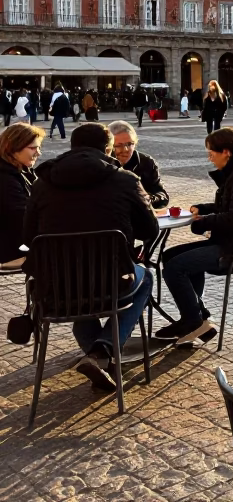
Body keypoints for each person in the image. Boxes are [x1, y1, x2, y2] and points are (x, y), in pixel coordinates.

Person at [23, 122, 157, 390]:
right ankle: (102, 351)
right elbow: (149, 229)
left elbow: (29, 237)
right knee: (147, 278)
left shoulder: (42, 183)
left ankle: (98, 356)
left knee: (78, 284)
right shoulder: (125, 180)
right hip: (113, 281)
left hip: (57, 287)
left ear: (71, 147)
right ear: (107, 148)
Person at [155, 127, 233, 344]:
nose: (209, 158)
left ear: (226, 152)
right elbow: (231, 206)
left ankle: (193, 321)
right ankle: (197, 317)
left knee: (177, 266)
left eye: (211, 153)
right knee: (170, 256)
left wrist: (204, 221)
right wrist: (201, 209)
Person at [0, 123, 44, 267]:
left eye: (39, 147)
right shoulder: (5, 177)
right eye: (32, 148)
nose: (38, 153)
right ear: (12, 148)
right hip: (11, 249)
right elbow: (20, 216)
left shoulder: (21, 170)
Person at [108, 120, 169, 210]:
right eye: (118, 145)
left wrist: (148, 198)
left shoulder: (147, 162)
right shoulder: (101, 163)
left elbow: (162, 195)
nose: (125, 149)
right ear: (108, 146)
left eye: (129, 144)